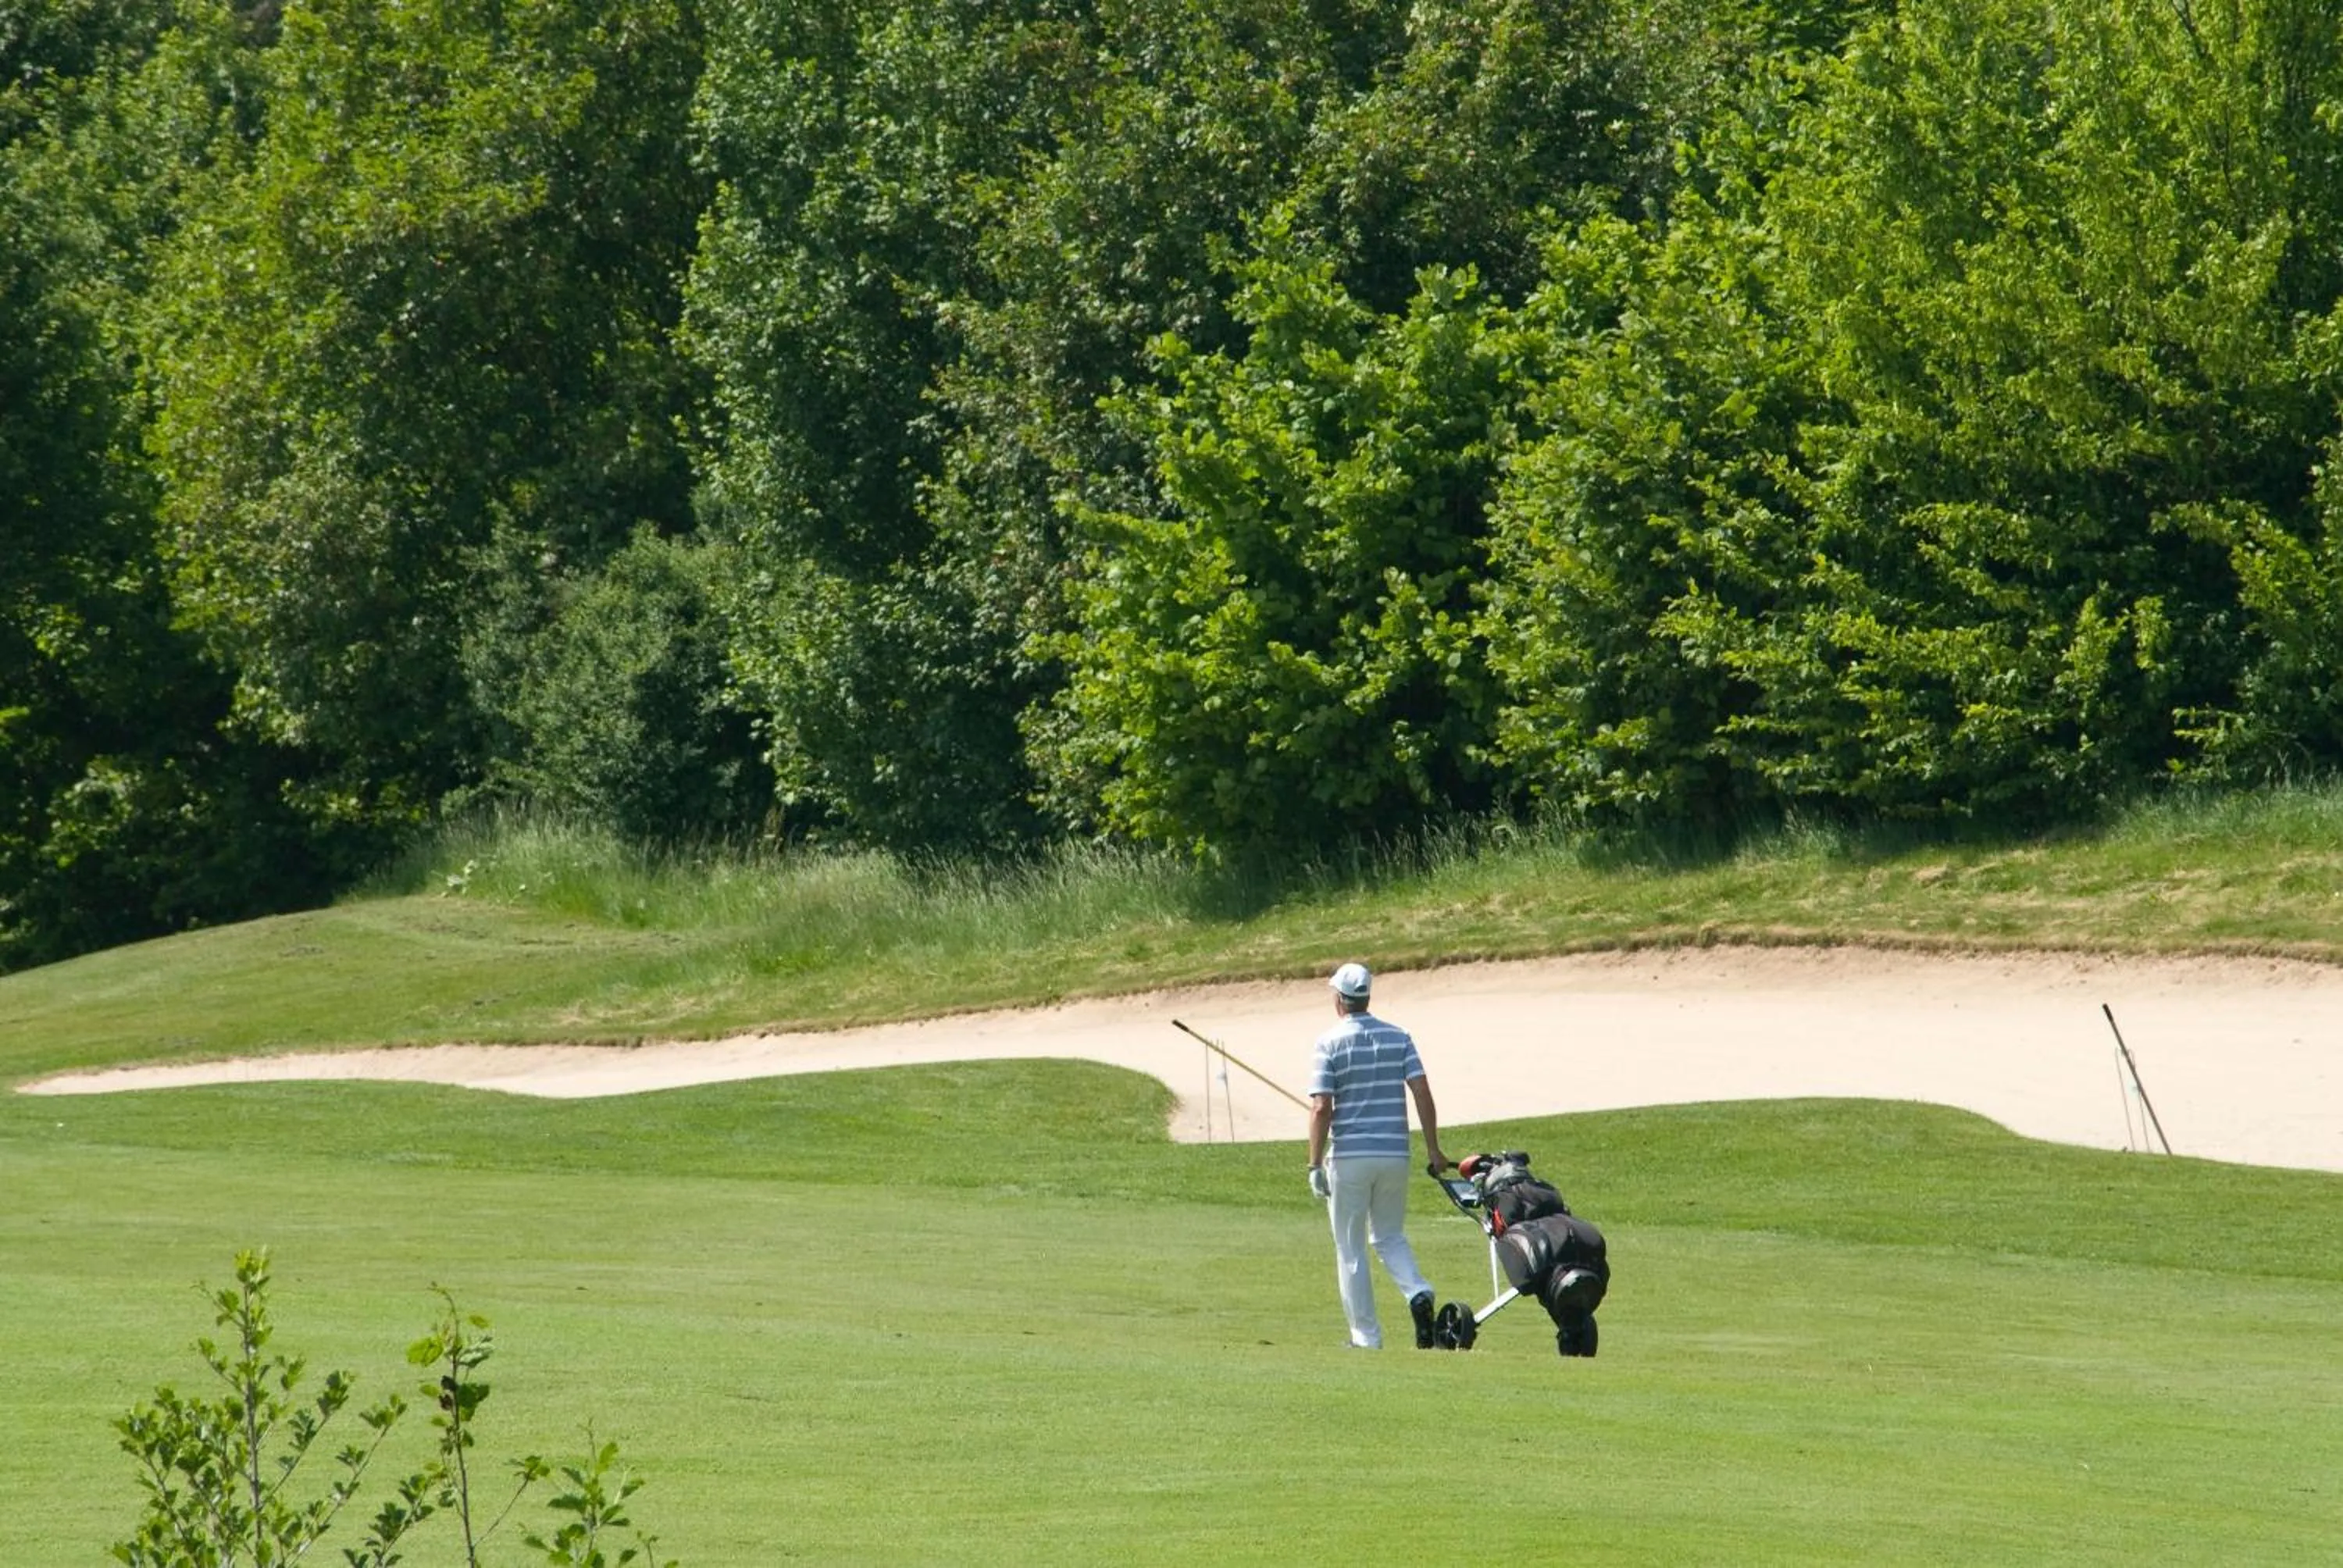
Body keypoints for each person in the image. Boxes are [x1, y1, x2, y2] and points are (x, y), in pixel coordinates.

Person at [1305, 960, 1450, 1349]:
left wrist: (1314, 1164)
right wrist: (1433, 1149)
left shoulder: (1328, 1042)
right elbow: (1421, 1091)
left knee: (1350, 1248)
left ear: (1339, 1000)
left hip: (1350, 1157)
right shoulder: (1398, 1037)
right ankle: (1417, 1290)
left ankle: (1365, 1337)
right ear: (1366, 997)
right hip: (1394, 1155)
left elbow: (1321, 1108)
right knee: (1389, 1236)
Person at [1459, 1150, 1610, 1358]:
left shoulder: (1504, 1198)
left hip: (1541, 1250)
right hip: (1561, 1245)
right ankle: (1571, 1328)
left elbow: (1467, 1167)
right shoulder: (1542, 1190)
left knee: (1541, 1275)